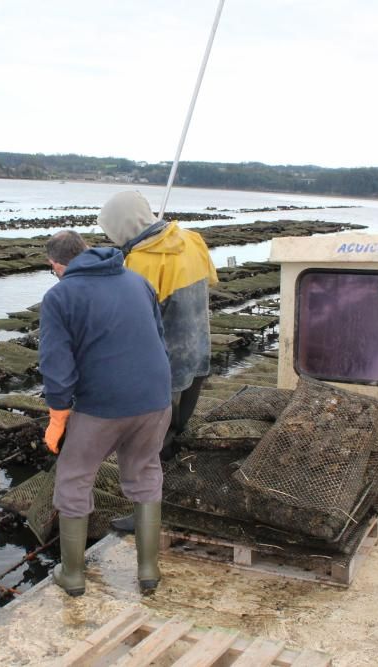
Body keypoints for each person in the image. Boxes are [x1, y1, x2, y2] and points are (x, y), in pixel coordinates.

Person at [39, 230, 172, 597]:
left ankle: (73, 575)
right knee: (145, 473)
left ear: (56, 265)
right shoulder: (137, 280)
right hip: (155, 397)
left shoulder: (60, 296)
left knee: (75, 478)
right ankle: (148, 571)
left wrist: (57, 418)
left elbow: (56, 365)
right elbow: (159, 338)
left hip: (102, 405)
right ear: (86, 251)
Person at [96, 191, 218, 531]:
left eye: (111, 230)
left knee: (146, 448)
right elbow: (207, 283)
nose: (111, 237)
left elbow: (134, 324)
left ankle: (146, 517)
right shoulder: (191, 240)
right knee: (176, 436)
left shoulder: (142, 261)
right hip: (197, 360)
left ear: (123, 224)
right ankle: (174, 501)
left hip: (162, 371)